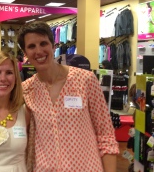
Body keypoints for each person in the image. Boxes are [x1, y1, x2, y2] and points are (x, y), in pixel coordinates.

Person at [17, 21, 119, 172]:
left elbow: (106, 136)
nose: (38, 51)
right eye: (32, 46)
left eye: (43, 43)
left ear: (53, 46)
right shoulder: (26, 90)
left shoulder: (85, 80)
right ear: (25, 54)